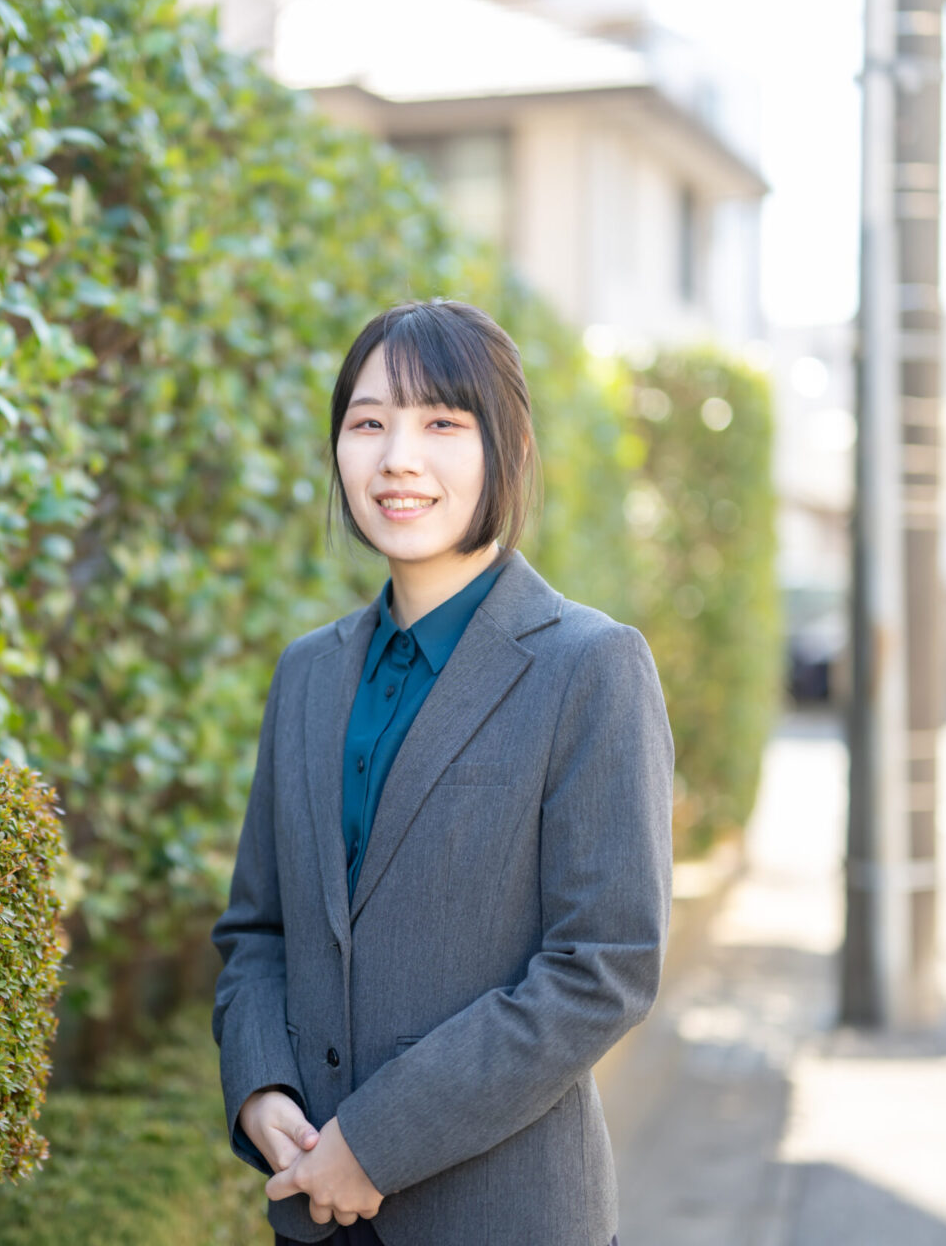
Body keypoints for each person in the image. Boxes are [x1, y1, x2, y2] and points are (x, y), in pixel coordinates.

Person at [211, 299, 673, 1246]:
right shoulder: (307, 673)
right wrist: (261, 1089)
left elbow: (603, 966)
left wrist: (376, 1144)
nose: (398, 459)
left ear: (509, 449)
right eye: (368, 423)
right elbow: (258, 929)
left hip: (504, 1216)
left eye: (442, 424)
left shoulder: (590, 666)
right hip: (312, 1215)